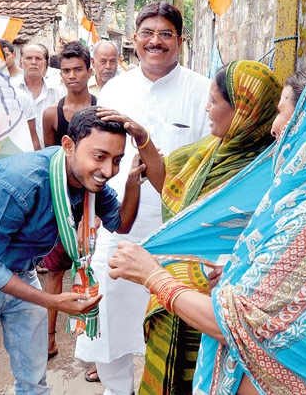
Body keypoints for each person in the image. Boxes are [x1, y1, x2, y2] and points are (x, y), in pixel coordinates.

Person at [106, 66, 306, 394]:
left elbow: (236, 323)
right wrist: (235, 273)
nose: (274, 128)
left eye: (282, 112)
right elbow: (282, 290)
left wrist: (152, 276)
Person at [104, 59, 282, 394]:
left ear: (243, 110)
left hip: (221, 311)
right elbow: (172, 190)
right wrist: (143, 140)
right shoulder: (208, 152)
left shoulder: (270, 172)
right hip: (175, 297)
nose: (206, 109)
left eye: (215, 102)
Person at [0, 106, 140, 395]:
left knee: (35, 381)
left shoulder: (87, 179)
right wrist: (53, 301)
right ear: (69, 145)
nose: (108, 171)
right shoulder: (21, 181)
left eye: (117, 160)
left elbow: (120, 224)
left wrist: (134, 183)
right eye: (100, 156)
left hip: (20, 271)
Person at [74, 0, 211, 392]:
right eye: (148, 33)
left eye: (166, 34)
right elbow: (91, 158)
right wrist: (88, 217)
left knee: (174, 317)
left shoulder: (201, 91)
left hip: (179, 232)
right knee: (110, 317)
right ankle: (118, 388)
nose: (156, 41)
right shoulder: (115, 89)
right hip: (118, 226)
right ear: (134, 40)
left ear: (180, 41)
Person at [41, 41, 97, 359]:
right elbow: (49, 163)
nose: (72, 76)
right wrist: (56, 215)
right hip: (61, 206)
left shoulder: (103, 108)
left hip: (94, 205)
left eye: (78, 69)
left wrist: (97, 213)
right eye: (66, 70)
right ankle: (49, 337)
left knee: (93, 272)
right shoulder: (52, 114)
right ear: (59, 74)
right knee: (55, 273)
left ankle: (91, 347)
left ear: (89, 70)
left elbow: (108, 164)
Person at [11, 43, 65, 149]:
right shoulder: (11, 91)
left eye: (38, 59)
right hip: (17, 156)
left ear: (44, 64)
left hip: (50, 155)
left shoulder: (57, 91)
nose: (33, 62)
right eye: (29, 58)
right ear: (21, 63)